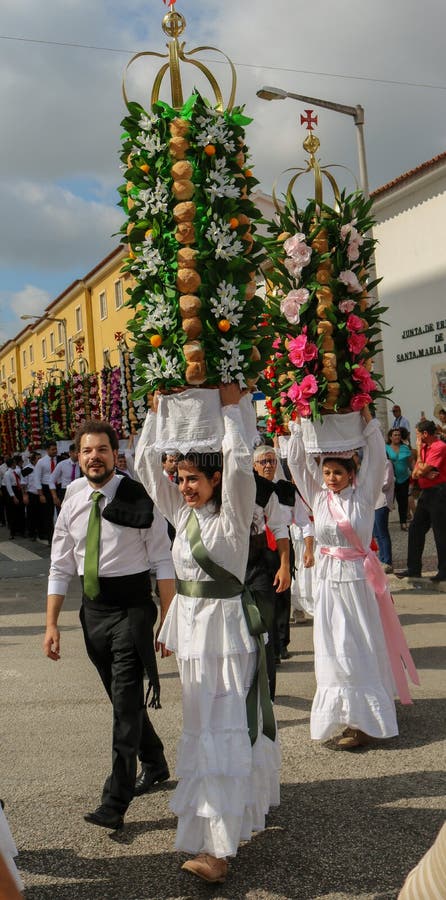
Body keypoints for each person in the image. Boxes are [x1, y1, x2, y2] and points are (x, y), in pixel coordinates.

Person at [135, 385, 280, 885]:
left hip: (228, 634)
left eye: (194, 479)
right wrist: (156, 418)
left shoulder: (235, 516)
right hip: (194, 639)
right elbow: (146, 468)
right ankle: (211, 827)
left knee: (222, 726)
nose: (184, 486)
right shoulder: (182, 514)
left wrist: (232, 408)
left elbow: (240, 461)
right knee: (201, 728)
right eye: (182, 479)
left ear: (214, 477)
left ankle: (218, 850)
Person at [43, 419, 175, 831]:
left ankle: (115, 801)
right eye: (87, 450)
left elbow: (163, 560)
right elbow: (61, 563)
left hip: (133, 612)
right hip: (94, 613)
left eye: (102, 450)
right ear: (77, 456)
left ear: (115, 455)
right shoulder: (73, 496)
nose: (94, 457)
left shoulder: (140, 497)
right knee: (125, 701)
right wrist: (51, 623)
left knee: (123, 707)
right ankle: (154, 762)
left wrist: (168, 619)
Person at [288, 406, 417, 750]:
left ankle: (365, 720)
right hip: (329, 582)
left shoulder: (362, 495)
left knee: (359, 644)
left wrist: (367, 421)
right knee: (334, 646)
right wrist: (300, 425)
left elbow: (377, 458)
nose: (330, 477)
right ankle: (345, 716)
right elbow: (297, 464)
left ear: (351, 472)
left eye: (336, 472)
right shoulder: (318, 497)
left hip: (359, 581)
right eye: (326, 472)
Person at [252, 446, 291, 665]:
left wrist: (285, 564)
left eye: (272, 461)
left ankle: (277, 648)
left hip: (272, 552)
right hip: (247, 556)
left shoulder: (277, 490)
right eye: (263, 462)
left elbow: (283, 526)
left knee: (276, 602)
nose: (268, 466)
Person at [398, 419, 446, 582]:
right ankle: (414, 568)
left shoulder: (439, 447)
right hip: (427, 492)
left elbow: (421, 469)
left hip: (440, 492)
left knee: (441, 532)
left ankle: (444, 571)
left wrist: (422, 470)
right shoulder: (424, 448)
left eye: (418, 434)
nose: (417, 438)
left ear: (425, 434)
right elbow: (415, 474)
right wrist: (424, 472)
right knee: (416, 529)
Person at [386, 428, 413, 530]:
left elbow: (411, 462)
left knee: (403, 502)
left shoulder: (405, 448)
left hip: (404, 478)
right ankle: (384, 524)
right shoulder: (386, 448)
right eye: (395, 435)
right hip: (390, 480)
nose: (397, 436)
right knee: (387, 502)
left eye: (398, 435)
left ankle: (403, 522)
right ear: (390, 437)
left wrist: (415, 473)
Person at [34, 439, 58, 543]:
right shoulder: (41, 462)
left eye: (56, 449)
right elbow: (37, 479)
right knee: (48, 515)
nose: (55, 451)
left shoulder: (60, 460)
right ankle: (50, 539)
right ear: (47, 450)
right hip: (46, 489)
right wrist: (41, 495)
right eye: (53, 449)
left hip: (58, 488)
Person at [373, 458, 395, 573]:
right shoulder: (371, 463)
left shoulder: (386, 463)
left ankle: (387, 561)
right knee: (376, 533)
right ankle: (382, 559)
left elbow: (386, 483)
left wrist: (371, 484)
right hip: (372, 503)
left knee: (382, 533)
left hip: (382, 502)